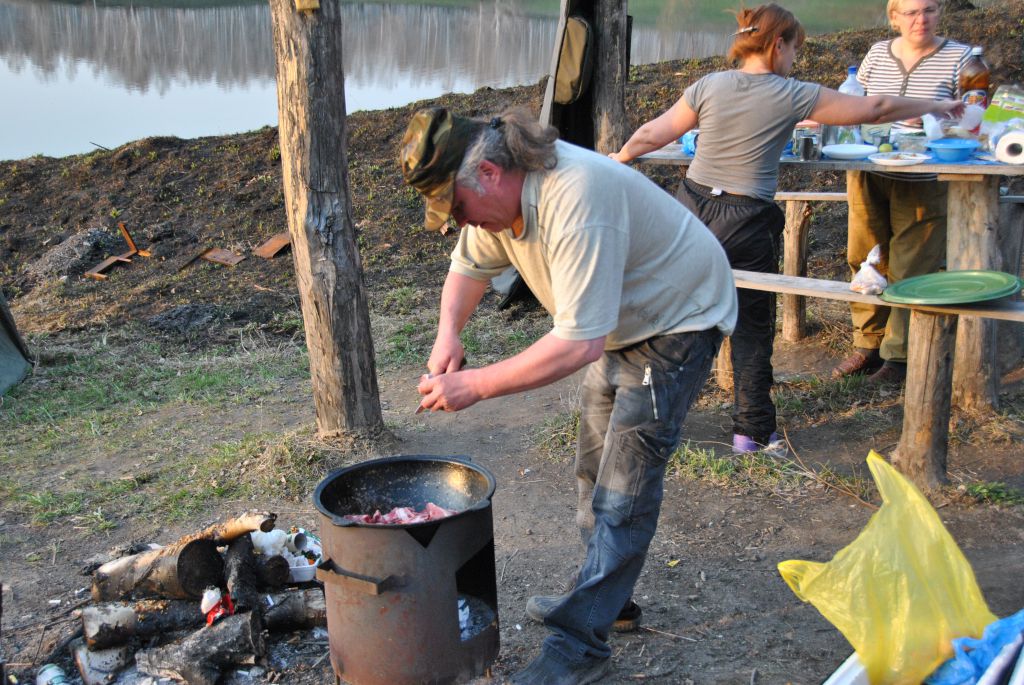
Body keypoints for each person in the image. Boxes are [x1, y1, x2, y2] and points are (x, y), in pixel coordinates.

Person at [401, 105, 737, 684]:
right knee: (594, 469)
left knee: (624, 489)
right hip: (621, 320)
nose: (460, 222)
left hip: (678, 319)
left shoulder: (575, 199)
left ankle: (580, 645)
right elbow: (469, 267)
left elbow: (578, 344)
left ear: (489, 173)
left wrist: (474, 384)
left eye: (456, 208)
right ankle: (606, 601)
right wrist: (448, 334)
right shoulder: (498, 204)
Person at [610, 2, 964, 454]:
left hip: (690, 211)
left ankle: (641, 417)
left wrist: (620, 157)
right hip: (744, 220)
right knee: (752, 328)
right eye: (795, 49)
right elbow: (875, 108)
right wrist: (940, 104)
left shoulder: (709, 84)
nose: (796, 59)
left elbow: (651, 135)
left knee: (671, 317)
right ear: (778, 45)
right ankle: (751, 432)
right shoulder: (793, 93)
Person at [832, 0, 971, 385]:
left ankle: (900, 355)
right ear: (894, 17)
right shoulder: (878, 53)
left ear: (940, 12)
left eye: (929, 10)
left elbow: (976, 120)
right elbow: (858, 105)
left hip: (923, 174)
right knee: (865, 254)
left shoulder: (961, 58)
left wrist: (930, 119)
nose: (920, 19)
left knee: (913, 265)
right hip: (869, 167)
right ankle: (868, 342)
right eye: (910, 12)